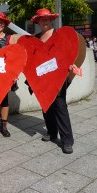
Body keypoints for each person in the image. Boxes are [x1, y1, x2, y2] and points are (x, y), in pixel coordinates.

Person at [31, 8, 75, 154]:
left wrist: (70, 64)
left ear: (51, 20)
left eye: (47, 19)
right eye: (42, 19)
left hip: (58, 78)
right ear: (37, 21)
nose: (44, 21)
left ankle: (67, 141)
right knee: (46, 106)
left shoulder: (58, 35)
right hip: (42, 78)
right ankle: (51, 132)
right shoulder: (36, 38)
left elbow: (68, 52)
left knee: (60, 106)